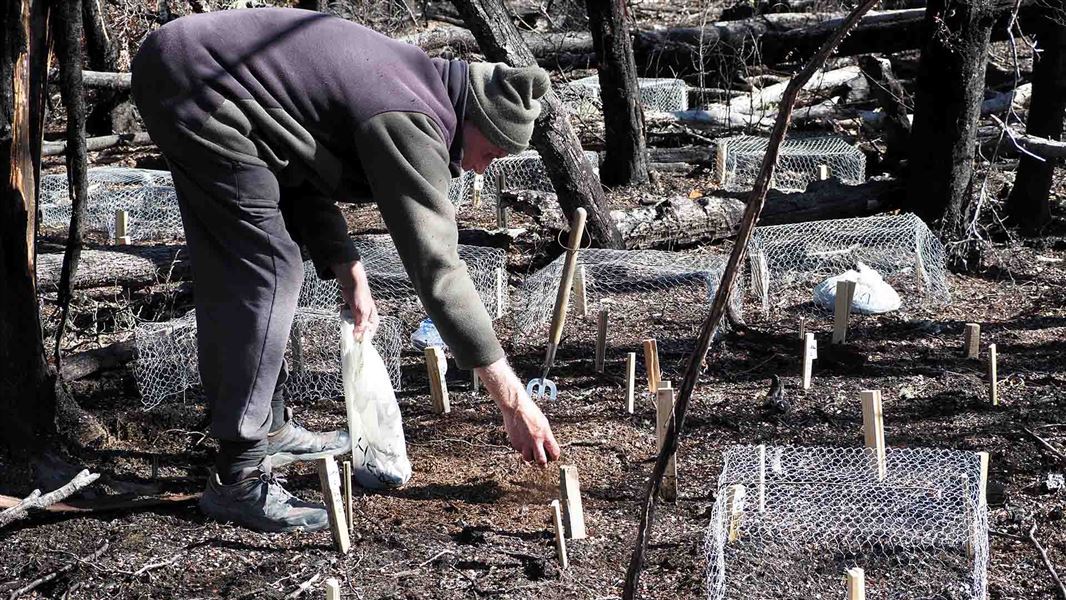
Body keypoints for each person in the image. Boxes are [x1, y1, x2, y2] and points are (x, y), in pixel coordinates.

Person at [131, 7, 561, 532]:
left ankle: (268, 427)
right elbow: (439, 268)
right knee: (266, 269)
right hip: (201, 82)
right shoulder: (409, 115)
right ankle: (237, 477)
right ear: (471, 120)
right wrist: (513, 402)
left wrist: (346, 264)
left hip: (200, 75)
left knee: (255, 260)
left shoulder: (414, 86)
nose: (481, 167)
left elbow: (295, 158)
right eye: (489, 151)